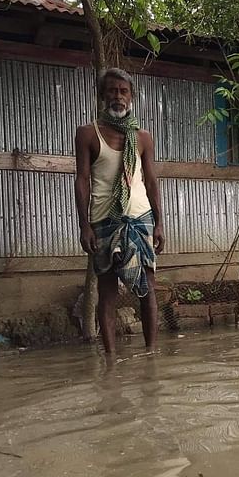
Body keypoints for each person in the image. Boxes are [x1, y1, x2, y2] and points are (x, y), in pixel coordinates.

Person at [74, 68, 165, 353]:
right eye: (112, 91)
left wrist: (160, 223)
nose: (118, 96)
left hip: (140, 219)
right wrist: (84, 225)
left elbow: (151, 181)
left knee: (148, 290)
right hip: (103, 220)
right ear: (102, 96)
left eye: (123, 91)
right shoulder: (87, 134)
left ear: (131, 97)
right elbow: (82, 179)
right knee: (108, 293)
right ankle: (111, 361)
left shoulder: (143, 138)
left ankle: (151, 355)